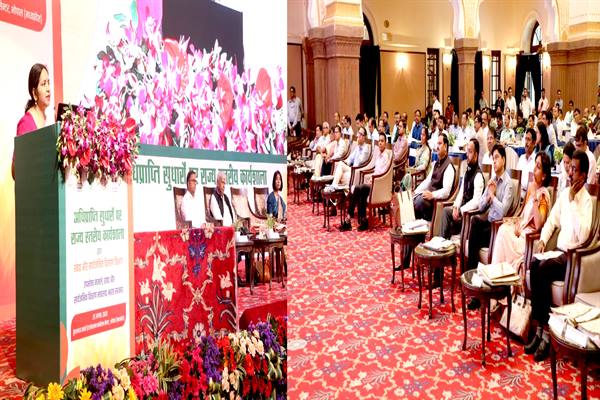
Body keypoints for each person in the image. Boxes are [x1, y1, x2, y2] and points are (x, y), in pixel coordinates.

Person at [526, 150, 593, 362]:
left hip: (573, 257)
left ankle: (547, 335)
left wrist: (573, 202)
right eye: (570, 168)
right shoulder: (564, 195)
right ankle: (538, 330)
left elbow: (583, 235)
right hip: (558, 252)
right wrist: (543, 241)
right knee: (535, 264)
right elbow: (551, 222)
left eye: (575, 170)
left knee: (544, 269)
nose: (570, 173)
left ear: (583, 175)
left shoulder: (587, 201)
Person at [491, 152, 552, 267]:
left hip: (529, 240)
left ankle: (497, 271)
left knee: (503, 233)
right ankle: (498, 271)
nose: (534, 169)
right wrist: (517, 225)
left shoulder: (543, 195)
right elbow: (523, 215)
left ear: (544, 176)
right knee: (503, 228)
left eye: (538, 167)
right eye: (535, 164)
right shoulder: (532, 188)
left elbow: (539, 225)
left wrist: (534, 197)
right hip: (522, 233)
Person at [465, 144, 515, 283]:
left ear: (503, 159)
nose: (494, 161)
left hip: (498, 228)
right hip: (487, 225)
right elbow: (481, 206)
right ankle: (472, 276)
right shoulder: (493, 181)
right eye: (493, 158)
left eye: (497, 157)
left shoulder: (509, 184)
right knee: (475, 222)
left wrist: (492, 196)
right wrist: (488, 196)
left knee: (475, 231)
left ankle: (471, 275)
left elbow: (503, 211)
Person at [344, 132, 391, 231]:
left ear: (385, 143)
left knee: (358, 188)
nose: (380, 143)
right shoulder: (379, 155)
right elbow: (376, 170)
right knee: (360, 190)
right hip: (374, 182)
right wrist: (371, 178)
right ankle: (363, 220)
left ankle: (349, 219)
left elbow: (383, 174)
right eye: (379, 141)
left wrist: (373, 179)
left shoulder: (386, 156)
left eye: (382, 141)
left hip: (378, 185)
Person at [440, 138, 484, 240]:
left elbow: (476, 201)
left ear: (476, 155)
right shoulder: (467, 172)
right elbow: (461, 193)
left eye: (470, 152)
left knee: (448, 218)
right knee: (446, 211)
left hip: (469, 215)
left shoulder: (478, 176)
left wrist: (460, 210)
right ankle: (442, 243)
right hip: (460, 211)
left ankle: (443, 243)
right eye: (467, 151)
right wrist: (456, 206)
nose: (467, 155)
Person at [13, 63, 51, 179]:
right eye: (43, 84)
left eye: (48, 83)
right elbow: (15, 171)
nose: (48, 89)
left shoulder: (49, 118)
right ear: (34, 93)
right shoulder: (26, 123)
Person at [413, 133, 455, 221]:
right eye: (437, 144)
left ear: (445, 146)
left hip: (436, 201)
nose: (437, 147)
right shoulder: (436, 163)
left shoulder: (449, 167)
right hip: (429, 198)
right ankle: (416, 226)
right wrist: (415, 192)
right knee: (414, 199)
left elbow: (446, 192)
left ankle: (424, 224)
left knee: (419, 202)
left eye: (440, 144)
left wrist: (432, 195)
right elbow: (428, 181)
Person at [516, 128, 537, 198]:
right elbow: (516, 179)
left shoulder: (536, 161)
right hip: (518, 194)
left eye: (529, 140)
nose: (526, 142)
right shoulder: (521, 158)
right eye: (525, 139)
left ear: (534, 143)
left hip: (530, 196)